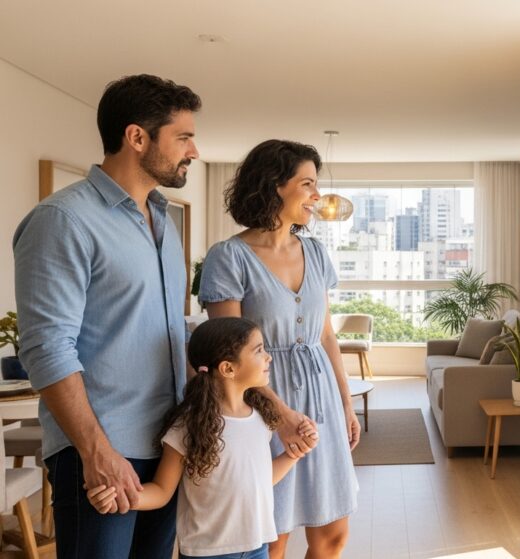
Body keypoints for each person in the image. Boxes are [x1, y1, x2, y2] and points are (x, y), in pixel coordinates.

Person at [13, 74, 201, 558]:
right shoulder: (63, 219)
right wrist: (97, 452)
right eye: (183, 137)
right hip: (101, 450)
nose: (194, 151)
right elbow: (47, 348)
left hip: (166, 445)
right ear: (137, 137)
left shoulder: (163, 222)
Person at [199, 139, 359, 558]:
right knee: (273, 536)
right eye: (307, 184)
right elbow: (228, 354)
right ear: (275, 185)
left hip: (321, 398)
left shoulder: (316, 252)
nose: (317, 195)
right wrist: (281, 415)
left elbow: (326, 336)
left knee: (333, 533)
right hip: (261, 405)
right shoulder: (229, 257)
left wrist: (345, 403)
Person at [86, 317, 318, 559]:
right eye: (259, 350)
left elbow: (259, 480)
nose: (268, 357)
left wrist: (294, 454)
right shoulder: (189, 426)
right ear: (228, 368)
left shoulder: (260, 418)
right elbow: (162, 491)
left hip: (257, 548)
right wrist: (120, 497)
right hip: (209, 553)